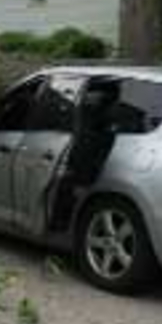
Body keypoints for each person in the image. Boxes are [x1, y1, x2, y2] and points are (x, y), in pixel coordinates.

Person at [47, 79, 121, 232]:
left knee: (69, 198)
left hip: (82, 170)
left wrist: (79, 175)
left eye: (91, 94)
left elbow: (87, 144)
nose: (87, 98)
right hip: (81, 168)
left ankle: (59, 230)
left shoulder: (97, 117)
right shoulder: (97, 115)